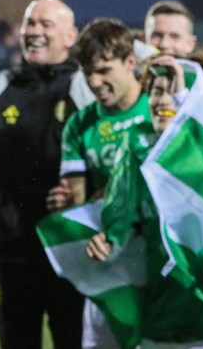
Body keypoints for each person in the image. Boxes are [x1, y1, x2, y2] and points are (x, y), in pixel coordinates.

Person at [0, 0, 94, 349]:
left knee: (74, 340)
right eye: (30, 24)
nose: (35, 32)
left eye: (46, 24)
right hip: (10, 248)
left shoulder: (85, 87)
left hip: (72, 246)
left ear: (71, 36)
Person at [84, 53, 203, 348]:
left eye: (175, 92)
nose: (163, 101)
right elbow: (120, 220)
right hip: (159, 317)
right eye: (157, 91)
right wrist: (109, 242)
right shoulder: (138, 147)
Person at [47, 18, 152, 349]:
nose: (95, 81)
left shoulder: (159, 108)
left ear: (130, 61)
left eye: (104, 70)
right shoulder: (80, 124)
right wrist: (69, 206)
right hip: (108, 261)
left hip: (158, 260)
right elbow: (77, 199)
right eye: (88, 72)